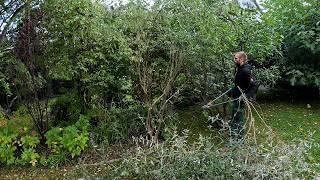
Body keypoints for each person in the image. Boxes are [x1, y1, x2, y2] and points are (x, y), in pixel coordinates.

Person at [229, 51, 251, 140]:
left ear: (241, 59)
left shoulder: (245, 71)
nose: (234, 60)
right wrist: (231, 92)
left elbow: (253, 84)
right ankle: (234, 138)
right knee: (234, 118)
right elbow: (238, 85)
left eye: (235, 58)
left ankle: (240, 140)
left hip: (240, 99)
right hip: (236, 97)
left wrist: (245, 96)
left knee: (239, 119)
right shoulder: (240, 68)